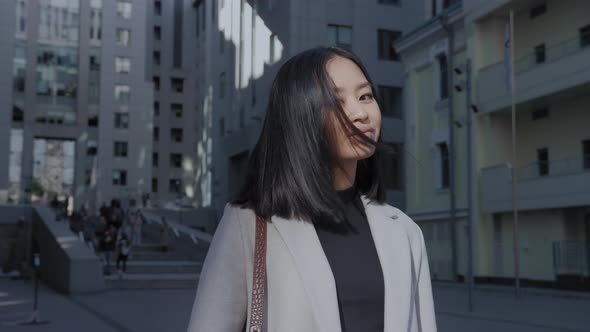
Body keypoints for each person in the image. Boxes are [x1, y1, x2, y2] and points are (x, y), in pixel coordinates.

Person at [188, 47, 437, 331]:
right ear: (299, 118)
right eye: (336, 101)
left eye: (365, 96)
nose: (360, 113)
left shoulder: (404, 231)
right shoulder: (249, 224)